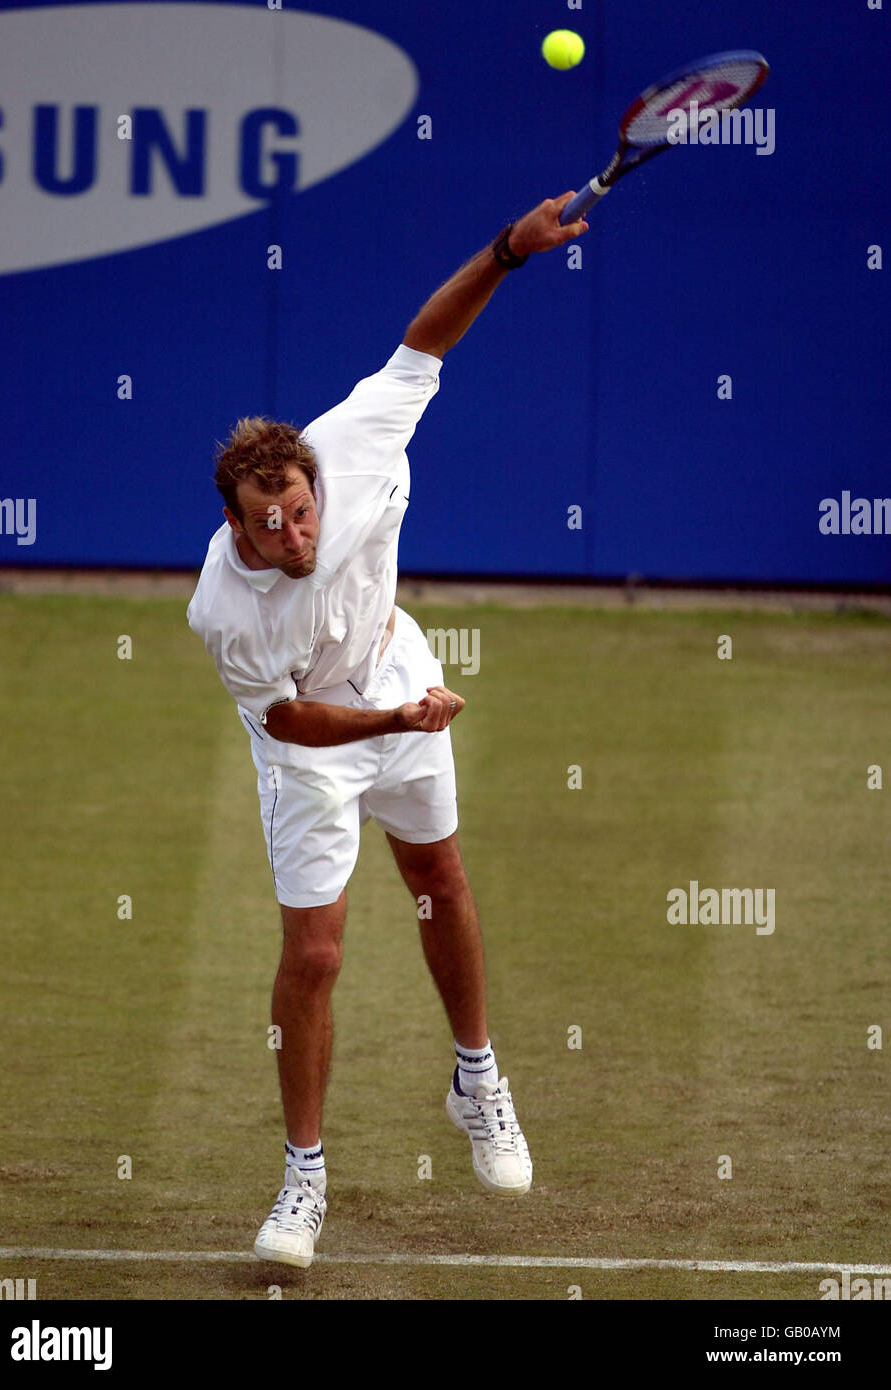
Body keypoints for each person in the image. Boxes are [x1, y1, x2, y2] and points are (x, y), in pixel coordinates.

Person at [187, 192, 589, 1269]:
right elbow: (294, 720)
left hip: (396, 674)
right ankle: (303, 1180)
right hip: (314, 740)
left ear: (316, 481)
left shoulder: (351, 443)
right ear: (235, 525)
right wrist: (394, 719)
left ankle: (476, 1079)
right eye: (269, 525)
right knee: (314, 954)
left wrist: (508, 249)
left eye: (304, 510)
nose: (295, 532)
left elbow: (424, 341)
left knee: (439, 879)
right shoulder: (224, 610)